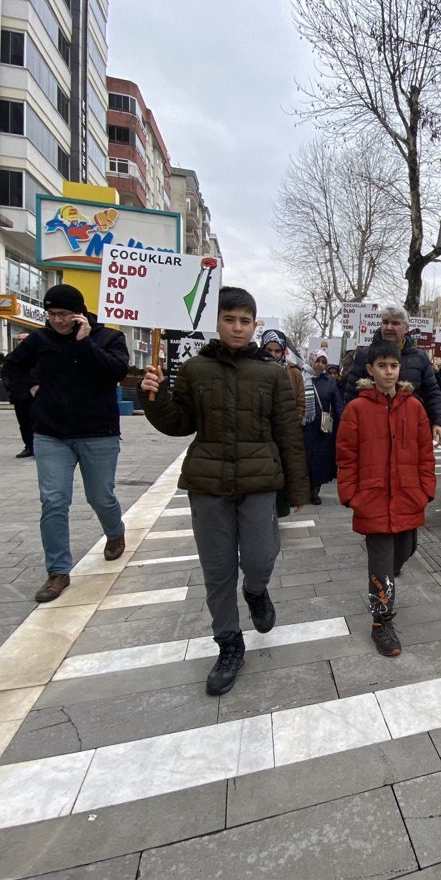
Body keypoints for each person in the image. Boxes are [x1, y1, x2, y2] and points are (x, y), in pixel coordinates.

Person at [137, 287, 310, 695]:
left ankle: (255, 590)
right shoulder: (196, 369)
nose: (237, 327)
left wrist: (298, 485)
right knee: (217, 571)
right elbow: (179, 422)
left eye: (244, 320)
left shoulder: (273, 372)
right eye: (229, 318)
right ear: (216, 322)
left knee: (260, 556)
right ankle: (229, 643)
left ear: (255, 325)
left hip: (259, 482)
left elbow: (287, 431)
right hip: (208, 483)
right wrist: (153, 396)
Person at [2, 283, 130, 602]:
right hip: (51, 433)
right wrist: (30, 390)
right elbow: (13, 366)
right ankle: (57, 571)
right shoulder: (40, 339)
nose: (57, 321)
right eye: (52, 314)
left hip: (98, 432)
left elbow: (116, 371)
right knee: (54, 500)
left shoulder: (108, 337)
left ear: (80, 313)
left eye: (64, 314)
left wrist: (85, 343)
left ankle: (115, 533)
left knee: (100, 496)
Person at [336, 340, 437, 656]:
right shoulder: (357, 408)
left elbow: (425, 453)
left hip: (408, 497)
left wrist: (425, 491)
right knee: (380, 566)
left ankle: (384, 584)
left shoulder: (414, 407)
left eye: (393, 365)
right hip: (372, 500)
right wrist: (352, 496)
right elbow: (346, 455)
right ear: (370, 369)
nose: (389, 371)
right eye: (382, 365)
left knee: (404, 552)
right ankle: (382, 622)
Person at [341, 304, 441, 446]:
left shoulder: (420, 358)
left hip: (408, 432)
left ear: (406, 328)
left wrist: (438, 422)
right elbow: (350, 394)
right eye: (385, 322)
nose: (389, 327)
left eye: (395, 323)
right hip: (372, 432)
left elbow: (432, 392)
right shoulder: (364, 355)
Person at [303, 351, 345, 505]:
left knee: (320, 460)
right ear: (311, 360)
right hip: (305, 427)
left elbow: (337, 404)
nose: (320, 364)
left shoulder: (329, 381)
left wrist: (342, 424)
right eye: (318, 361)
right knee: (305, 459)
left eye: (323, 361)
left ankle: (315, 492)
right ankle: (304, 490)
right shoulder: (303, 377)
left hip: (323, 428)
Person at [261, 330, 307, 424]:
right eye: (269, 350)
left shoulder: (294, 372)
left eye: (277, 351)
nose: (273, 355)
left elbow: (300, 403)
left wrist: (294, 423)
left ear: (283, 351)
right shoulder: (255, 369)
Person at [3, 331, 36, 458]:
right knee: (24, 423)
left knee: (37, 422)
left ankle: (38, 447)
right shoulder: (12, 356)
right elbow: (5, 372)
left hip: (35, 396)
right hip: (18, 394)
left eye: (24, 339)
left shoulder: (38, 354)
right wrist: (8, 386)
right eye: (19, 339)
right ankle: (28, 446)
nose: (21, 341)